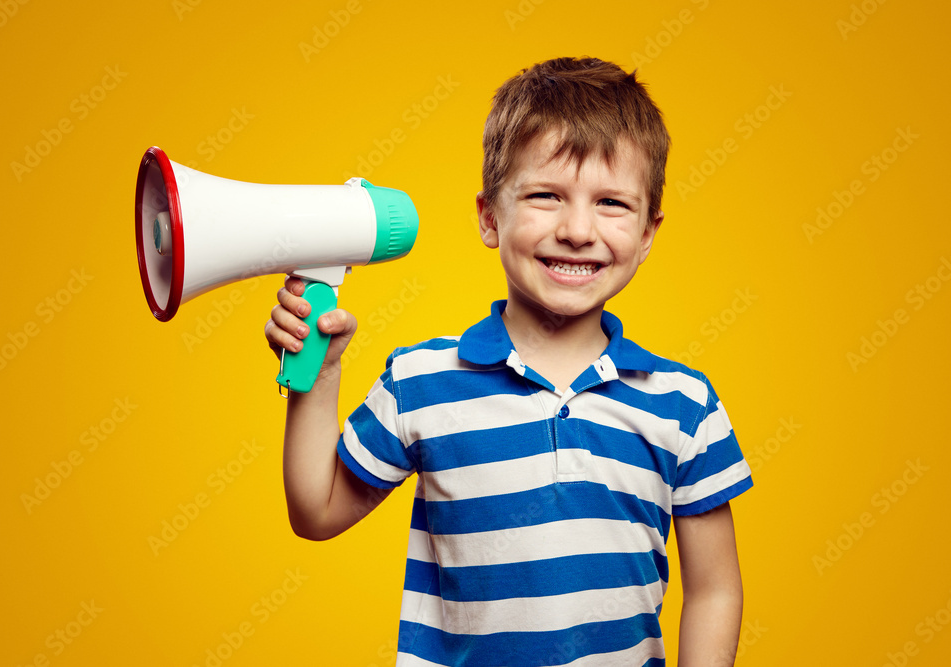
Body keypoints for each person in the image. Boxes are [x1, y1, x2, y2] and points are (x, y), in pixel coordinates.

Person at [265, 56, 753, 667]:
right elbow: (315, 512)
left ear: (648, 233)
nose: (578, 230)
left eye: (611, 203)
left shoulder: (684, 404)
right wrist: (320, 375)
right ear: (489, 217)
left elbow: (714, 590)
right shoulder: (421, 383)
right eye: (546, 196)